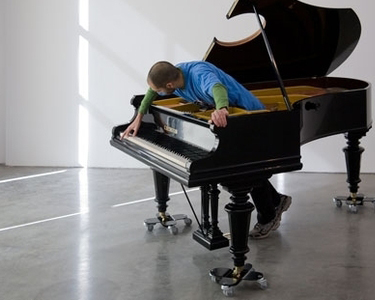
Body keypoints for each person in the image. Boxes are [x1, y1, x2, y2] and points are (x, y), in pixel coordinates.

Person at [122, 60, 291, 239]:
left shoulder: (199, 74)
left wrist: (222, 109)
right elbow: (152, 90)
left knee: (245, 169)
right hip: (229, 116)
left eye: (160, 90)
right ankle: (277, 200)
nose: (158, 94)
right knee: (241, 165)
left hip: (248, 114)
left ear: (170, 85)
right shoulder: (172, 74)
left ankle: (268, 216)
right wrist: (139, 116)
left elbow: (218, 88)